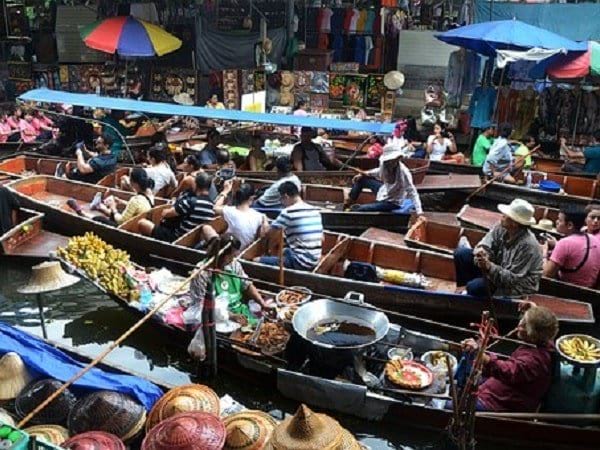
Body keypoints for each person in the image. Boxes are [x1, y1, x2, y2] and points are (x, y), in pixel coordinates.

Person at [187, 234, 274, 360]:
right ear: (221, 255)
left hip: (238, 309)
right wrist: (231, 316)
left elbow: (247, 284)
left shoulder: (234, 265)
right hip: (214, 318)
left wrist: (262, 303)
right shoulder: (202, 274)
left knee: (259, 334)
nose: (233, 259)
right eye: (231, 256)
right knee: (240, 343)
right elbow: (203, 307)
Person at [460, 306, 558, 412]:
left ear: (533, 335)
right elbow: (542, 322)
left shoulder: (534, 361)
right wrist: (532, 308)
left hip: (499, 403)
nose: (519, 325)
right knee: (468, 363)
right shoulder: (544, 341)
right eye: (523, 320)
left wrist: (481, 356)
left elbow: (508, 371)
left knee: (444, 406)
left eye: (525, 325)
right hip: (499, 387)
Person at [453, 198, 543, 297]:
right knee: (461, 254)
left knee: (474, 287)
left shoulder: (528, 246)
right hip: (497, 270)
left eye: (506, 215)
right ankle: (462, 290)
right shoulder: (501, 227)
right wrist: (483, 252)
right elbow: (486, 242)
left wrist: (489, 266)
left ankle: (470, 292)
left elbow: (512, 279)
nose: (502, 216)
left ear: (515, 223)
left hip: (515, 286)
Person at [256, 181, 323, 271]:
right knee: (284, 250)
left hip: (301, 261)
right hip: (315, 258)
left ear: (286, 197)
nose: (281, 203)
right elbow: (322, 238)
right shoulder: (315, 210)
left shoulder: (288, 212)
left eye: (281, 199)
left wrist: (264, 220)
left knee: (256, 260)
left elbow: (268, 233)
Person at [138, 173, 216, 244]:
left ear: (196, 184)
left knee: (142, 223)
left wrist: (170, 206)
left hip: (177, 238)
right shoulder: (212, 206)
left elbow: (166, 214)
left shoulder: (190, 202)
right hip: (192, 241)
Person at [345, 143, 424, 214]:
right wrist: (364, 174)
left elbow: (412, 192)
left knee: (360, 209)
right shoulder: (384, 164)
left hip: (392, 202)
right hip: (383, 191)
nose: (391, 162)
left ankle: (353, 210)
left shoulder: (404, 173)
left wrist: (419, 212)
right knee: (361, 180)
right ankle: (349, 201)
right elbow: (378, 171)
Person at [67, 168, 155, 227]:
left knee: (101, 219)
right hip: (138, 222)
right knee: (119, 211)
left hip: (130, 228)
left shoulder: (135, 200)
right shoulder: (149, 193)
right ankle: (100, 206)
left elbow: (121, 222)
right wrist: (121, 202)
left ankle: (82, 213)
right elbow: (140, 207)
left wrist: (113, 207)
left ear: (133, 182)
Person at [542, 206, 600, 288]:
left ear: (569, 225)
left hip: (567, 290)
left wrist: (544, 252)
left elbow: (546, 275)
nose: (557, 222)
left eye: (560, 220)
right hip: (589, 289)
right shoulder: (594, 239)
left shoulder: (564, 243)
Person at [212, 181, 268, 250]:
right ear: (251, 198)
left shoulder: (229, 211)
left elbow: (215, 207)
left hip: (231, 251)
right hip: (244, 253)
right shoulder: (260, 216)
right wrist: (265, 219)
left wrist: (225, 191)